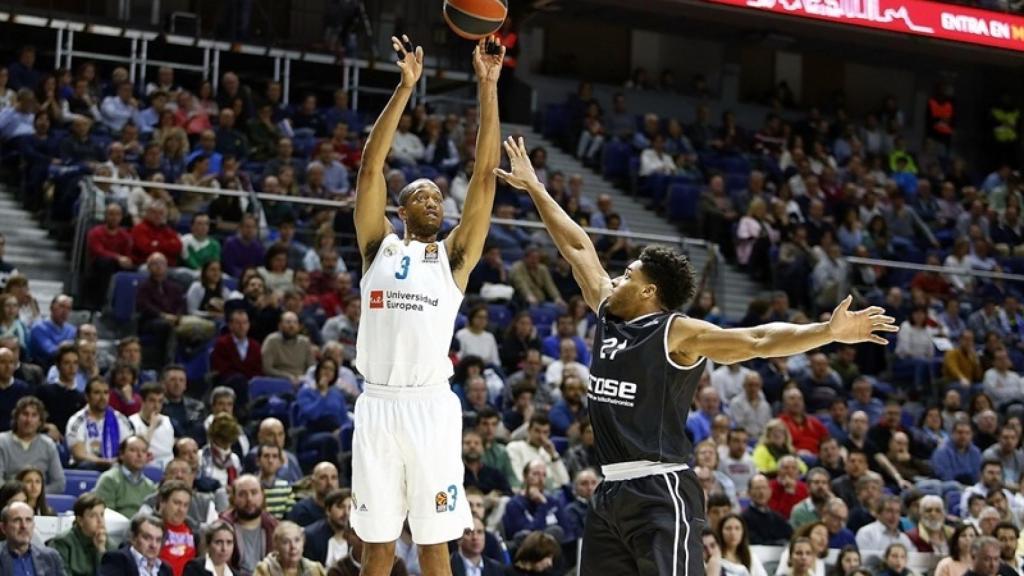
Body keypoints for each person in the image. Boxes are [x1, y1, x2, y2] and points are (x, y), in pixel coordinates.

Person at [493, 134, 899, 576]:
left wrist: (826, 331)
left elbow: (757, 340)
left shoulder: (675, 331)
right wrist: (536, 188)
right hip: (610, 491)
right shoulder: (609, 310)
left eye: (627, 275)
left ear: (649, 291)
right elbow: (576, 248)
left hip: (660, 488)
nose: (616, 278)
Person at [349, 35, 505, 576]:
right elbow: (371, 166)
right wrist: (405, 87)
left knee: (435, 542)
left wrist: (488, 85)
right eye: (421, 195)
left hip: (431, 408)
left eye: (439, 196)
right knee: (379, 543)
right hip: (377, 404)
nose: (434, 201)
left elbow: (484, 179)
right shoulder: (379, 246)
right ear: (401, 207)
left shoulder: (454, 257)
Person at [0, 396, 66, 493]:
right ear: (16, 417)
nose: (29, 420)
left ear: (40, 421)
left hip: (39, 501)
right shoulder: (2, 441)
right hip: (8, 500)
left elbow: (59, 483)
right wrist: (16, 495)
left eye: (34, 415)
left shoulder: (48, 444)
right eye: (25, 414)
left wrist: (35, 494)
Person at [66, 376, 134, 469]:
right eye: (97, 393)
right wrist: (106, 462)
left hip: (116, 467)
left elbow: (131, 448)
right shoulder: (77, 421)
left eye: (106, 393)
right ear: (87, 396)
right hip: (87, 468)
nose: (102, 397)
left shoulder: (120, 419)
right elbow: (79, 454)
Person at [219, 475, 278, 574]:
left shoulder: (274, 526)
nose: (249, 499)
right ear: (233, 498)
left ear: (263, 495)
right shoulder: (222, 527)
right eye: (242, 494)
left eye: (254, 493)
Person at [48, 493, 113, 576]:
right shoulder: (62, 543)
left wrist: (101, 551)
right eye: (93, 516)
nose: (100, 521)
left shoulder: (108, 543)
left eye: (102, 514)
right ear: (80, 520)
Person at [93, 435, 157, 518]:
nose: (139, 455)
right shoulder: (109, 479)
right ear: (121, 455)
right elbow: (105, 515)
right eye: (133, 450)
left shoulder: (150, 486)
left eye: (144, 451)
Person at [0, 501, 65, 575]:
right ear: (3, 528)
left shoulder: (51, 557)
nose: (24, 526)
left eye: (28, 520)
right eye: (17, 520)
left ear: (33, 525)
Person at [99, 514, 174, 576]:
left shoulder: (165, 568)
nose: (153, 545)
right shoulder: (117, 559)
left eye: (158, 540)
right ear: (133, 538)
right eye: (147, 538)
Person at [252, 521, 325, 576]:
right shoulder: (264, 570)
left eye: (297, 540)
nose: (293, 546)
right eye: (286, 542)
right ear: (276, 545)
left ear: (303, 541)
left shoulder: (315, 569)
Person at [302, 488, 351, 567]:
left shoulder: (357, 537)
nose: (346, 513)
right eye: (341, 507)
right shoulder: (311, 536)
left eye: (350, 508)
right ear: (328, 510)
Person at [156, 480, 197, 576]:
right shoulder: (149, 529)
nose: (181, 510)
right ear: (162, 502)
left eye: (185, 505)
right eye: (177, 503)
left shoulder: (195, 532)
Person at [288, 462, 339, 527]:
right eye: (323, 478)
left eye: (334, 477)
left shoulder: (348, 509)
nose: (330, 482)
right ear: (313, 482)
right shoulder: (300, 510)